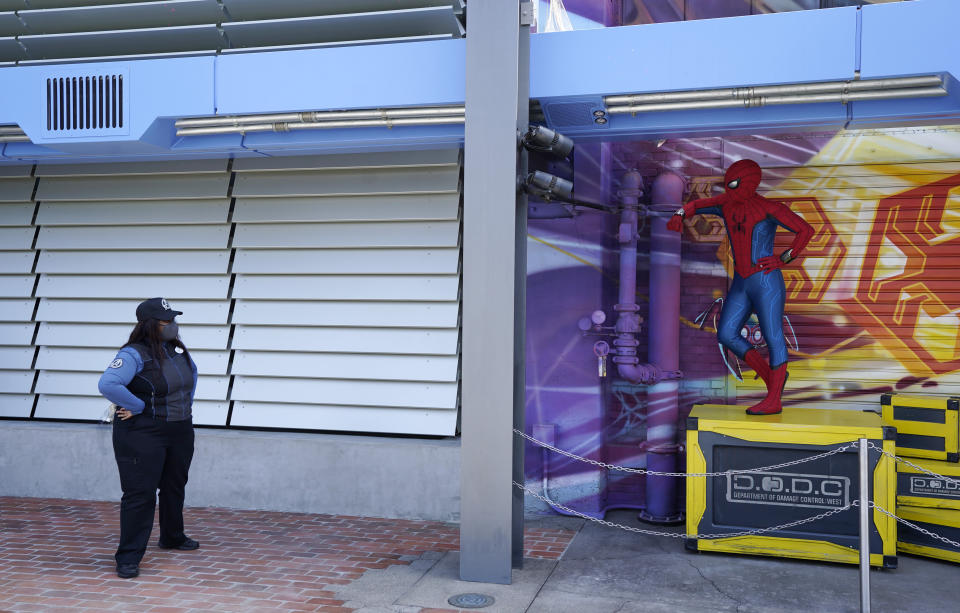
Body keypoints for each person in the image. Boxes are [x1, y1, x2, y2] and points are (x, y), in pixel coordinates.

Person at [666, 159, 813, 415]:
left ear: (749, 182)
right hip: (742, 282)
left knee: (773, 335)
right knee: (726, 334)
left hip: (766, 280)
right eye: (727, 184)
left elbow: (805, 230)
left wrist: (783, 258)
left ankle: (774, 399)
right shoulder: (726, 204)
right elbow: (698, 205)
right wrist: (680, 214)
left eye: (733, 184)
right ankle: (772, 380)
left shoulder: (768, 208)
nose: (729, 190)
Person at [98, 297, 200, 579]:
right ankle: (128, 558)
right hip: (143, 432)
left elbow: (190, 379)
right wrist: (137, 405)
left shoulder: (174, 349)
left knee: (174, 485)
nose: (173, 326)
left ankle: (172, 536)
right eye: (167, 322)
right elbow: (108, 384)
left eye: (174, 320)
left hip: (179, 428)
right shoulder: (133, 354)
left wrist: (183, 412)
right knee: (140, 494)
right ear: (150, 325)